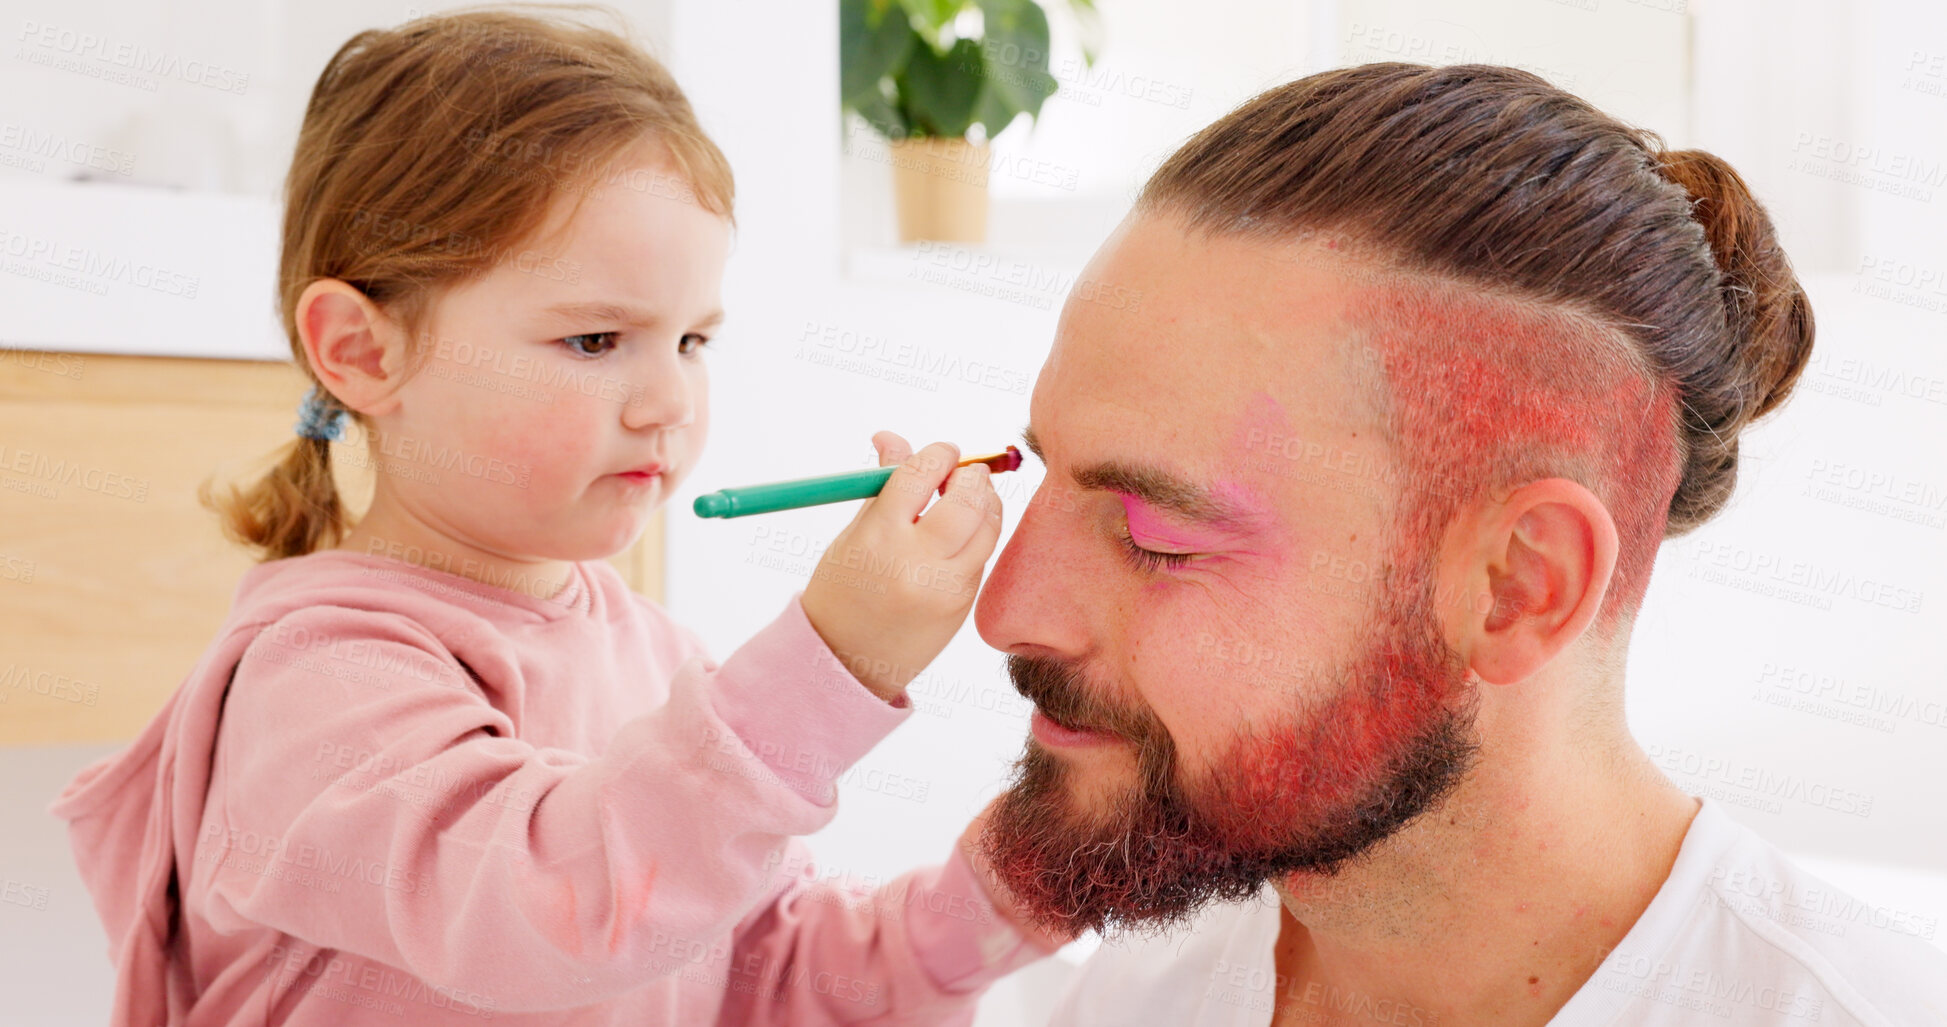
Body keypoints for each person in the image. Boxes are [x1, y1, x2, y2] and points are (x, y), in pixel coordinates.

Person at [48, 9, 1060, 1025]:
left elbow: (757, 967)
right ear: (361, 350)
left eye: (693, 341)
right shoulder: (314, 683)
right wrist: (831, 661)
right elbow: (556, 906)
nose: (669, 400)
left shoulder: (654, 649)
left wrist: (997, 896)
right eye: (594, 339)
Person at [969, 62, 1947, 1025]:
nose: (1004, 611)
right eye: (1047, 471)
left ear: (1519, 585)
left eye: (1156, 537)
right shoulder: (1143, 990)